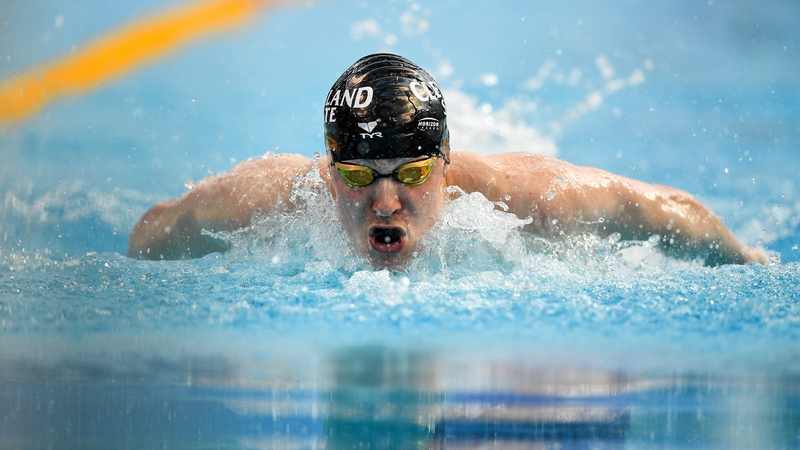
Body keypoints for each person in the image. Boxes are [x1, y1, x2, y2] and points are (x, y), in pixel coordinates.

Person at [128, 53, 766, 267]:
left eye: (410, 174)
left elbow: (667, 210)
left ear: (444, 161)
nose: (384, 203)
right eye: (357, 176)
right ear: (329, 168)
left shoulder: (528, 199)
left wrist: (747, 261)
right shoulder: (267, 200)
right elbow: (152, 231)